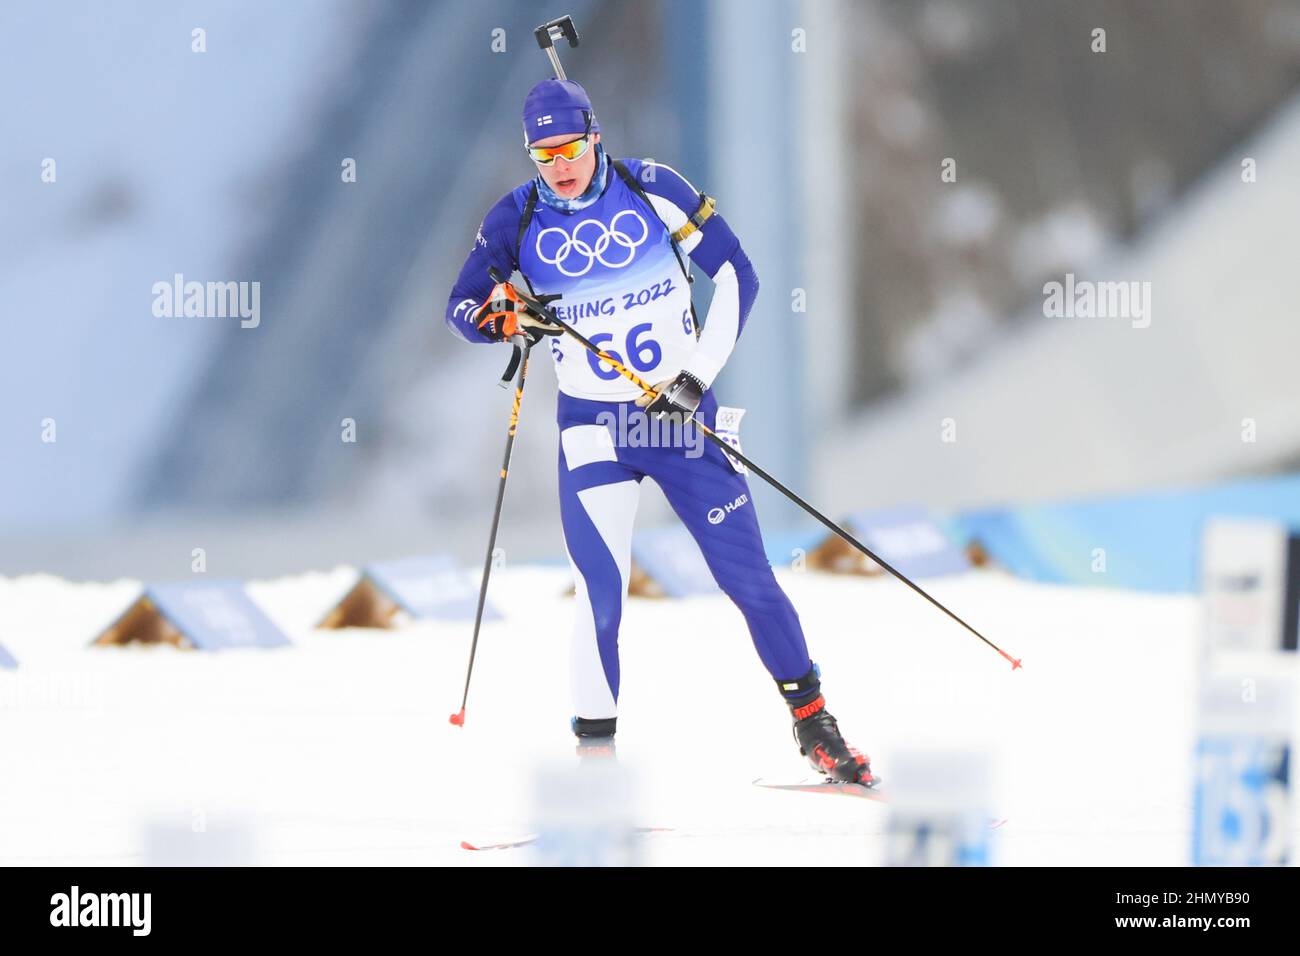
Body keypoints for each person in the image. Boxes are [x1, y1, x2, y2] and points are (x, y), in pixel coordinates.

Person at [444, 77, 874, 786]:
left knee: (751, 583)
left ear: (595, 135)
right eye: (543, 153)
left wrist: (696, 379)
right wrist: (509, 319)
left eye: (571, 147)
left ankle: (816, 727)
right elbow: (462, 308)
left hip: (677, 421)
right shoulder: (513, 221)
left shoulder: (652, 189)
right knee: (600, 596)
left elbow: (739, 275)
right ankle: (594, 766)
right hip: (593, 429)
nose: (559, 164)